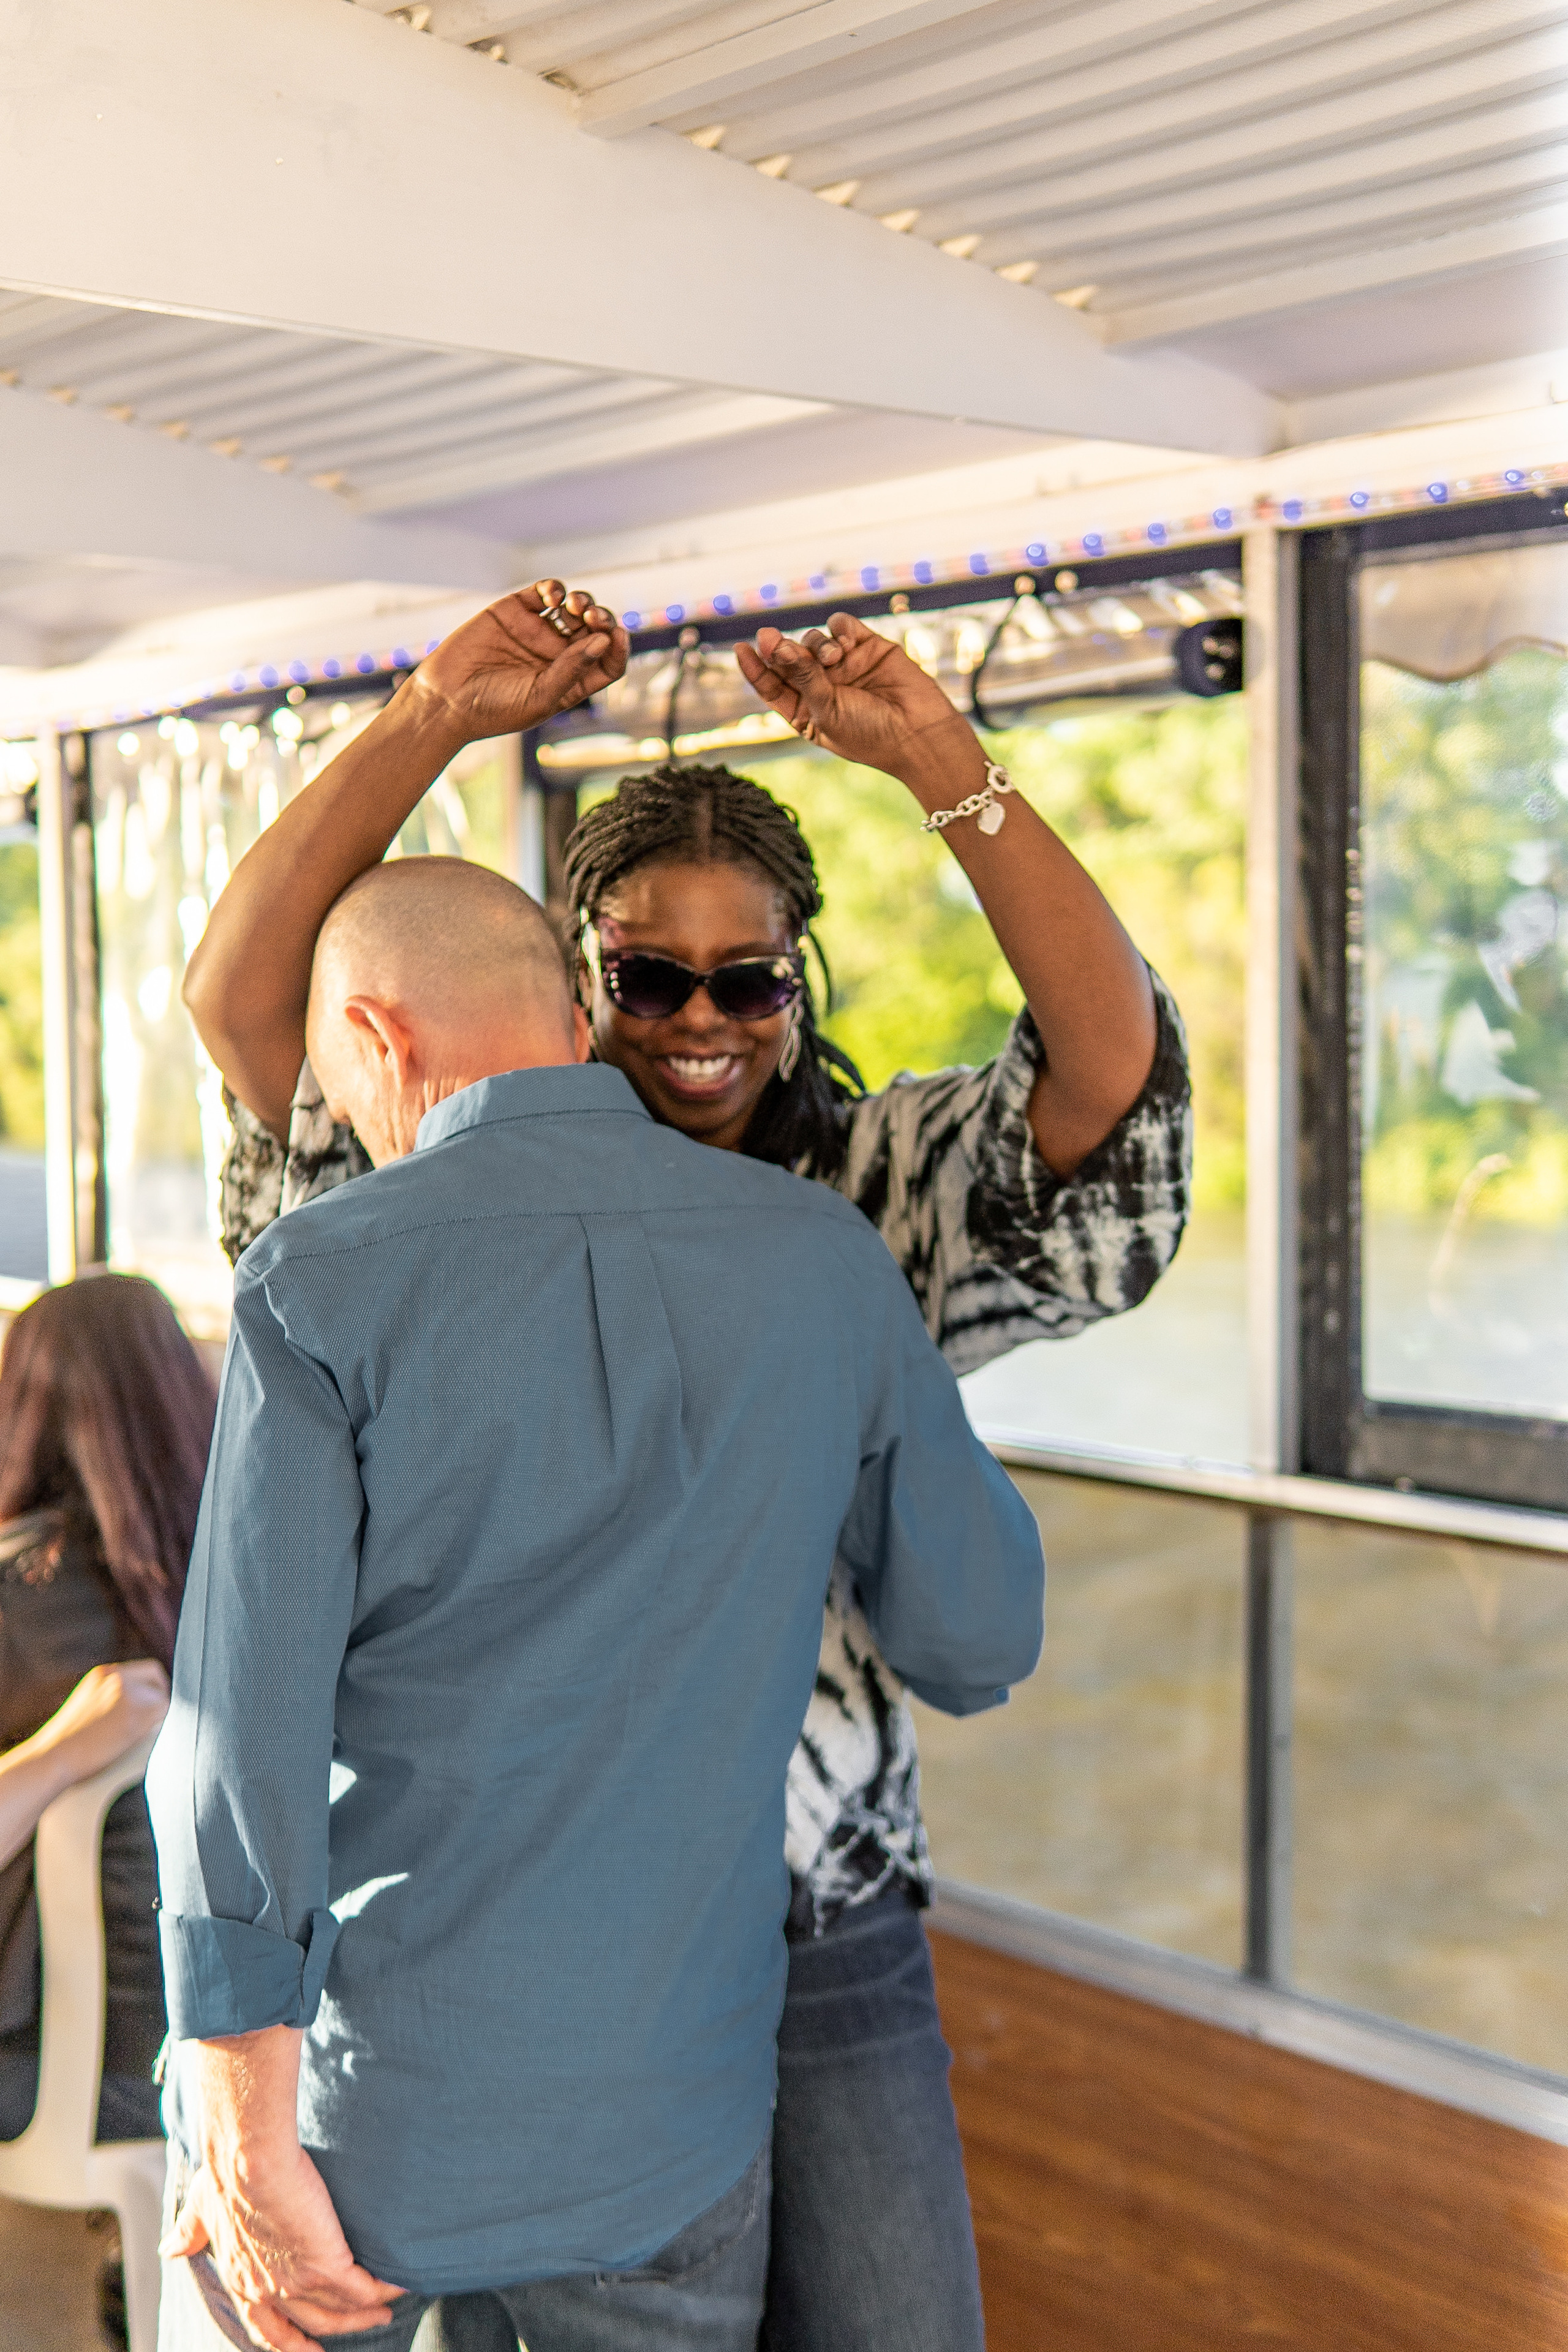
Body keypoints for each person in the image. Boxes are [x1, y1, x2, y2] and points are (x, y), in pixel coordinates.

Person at [183, 582, 1191, 2352]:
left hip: (805, 1907)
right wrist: (431, 714)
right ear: (581, 990)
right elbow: (250, 994)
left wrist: (948, 766)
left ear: (796, 986)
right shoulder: (423, 1219)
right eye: (652, 977)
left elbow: (1113, 1077)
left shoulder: (868, 1189)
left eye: (749, 978)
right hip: (515, 1951)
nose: (702, 1015)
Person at [0, 1273, 215, 2147]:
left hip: (72, 2076)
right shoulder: (253, 1590)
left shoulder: (20, 1599)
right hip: (244, 2053)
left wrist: (63, 1751)